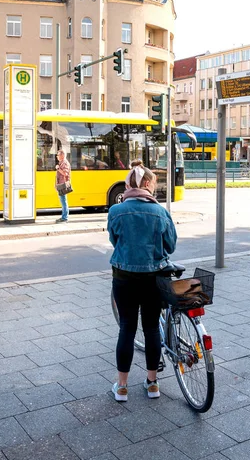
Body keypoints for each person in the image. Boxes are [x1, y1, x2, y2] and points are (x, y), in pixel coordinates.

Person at [108, 161, 177, 402]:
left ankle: (122, 387)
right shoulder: (160, 211)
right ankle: (152, 384)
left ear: (129, 186)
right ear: (148, 185)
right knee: (150, 329)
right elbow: (171, 245)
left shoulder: (116, 211)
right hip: (153, 279)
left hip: (124, 278)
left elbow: (114, 240)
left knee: (127, 328)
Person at [55, 150, 71, 223]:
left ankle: (65, 217)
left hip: (63, 185)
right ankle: (64, 216)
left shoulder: (65, 163)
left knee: (64, 201)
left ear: (62, 155)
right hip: (60, 184)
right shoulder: (61, 163)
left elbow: (65, 173)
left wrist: (58, 168)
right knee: (63, 201)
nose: (57, 157)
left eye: (58, 155)